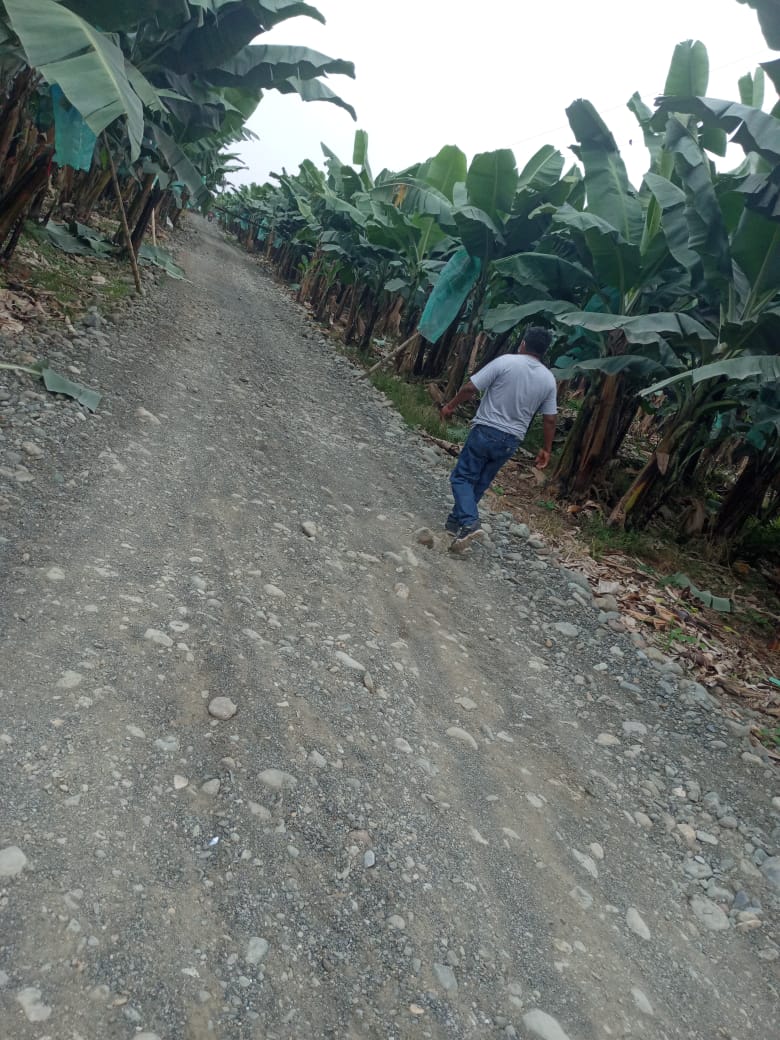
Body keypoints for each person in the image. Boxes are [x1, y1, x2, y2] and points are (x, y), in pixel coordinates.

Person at [439, 326, 557, 552]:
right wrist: (546, 448)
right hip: (511, 440)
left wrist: (450, 406)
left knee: (461, 478)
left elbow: (470, 388)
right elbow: (550, 419)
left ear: (523, 344)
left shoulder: (505, 362)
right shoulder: (548, 379)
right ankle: (455, 525)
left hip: (486, 429)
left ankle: (469, 522)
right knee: (480, 483)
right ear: (544, 351)